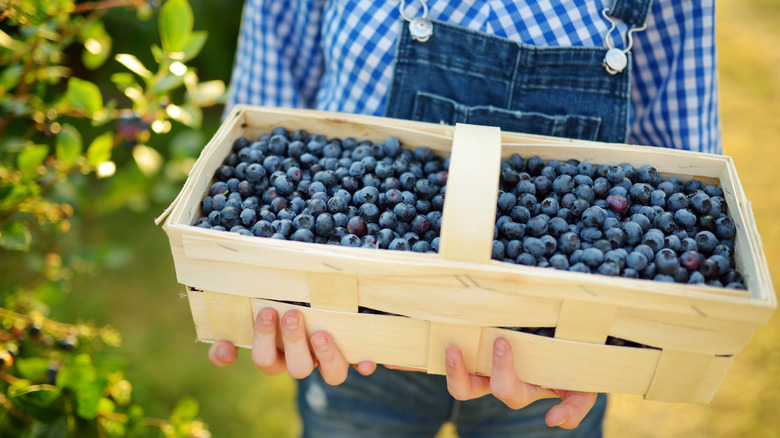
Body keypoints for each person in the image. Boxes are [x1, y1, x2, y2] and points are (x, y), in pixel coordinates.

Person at [208, 0, 722, 436]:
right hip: (350, 317)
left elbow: (679, 175)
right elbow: (269, 92)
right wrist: (259, 278)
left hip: (553, 338)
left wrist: (633, 333)